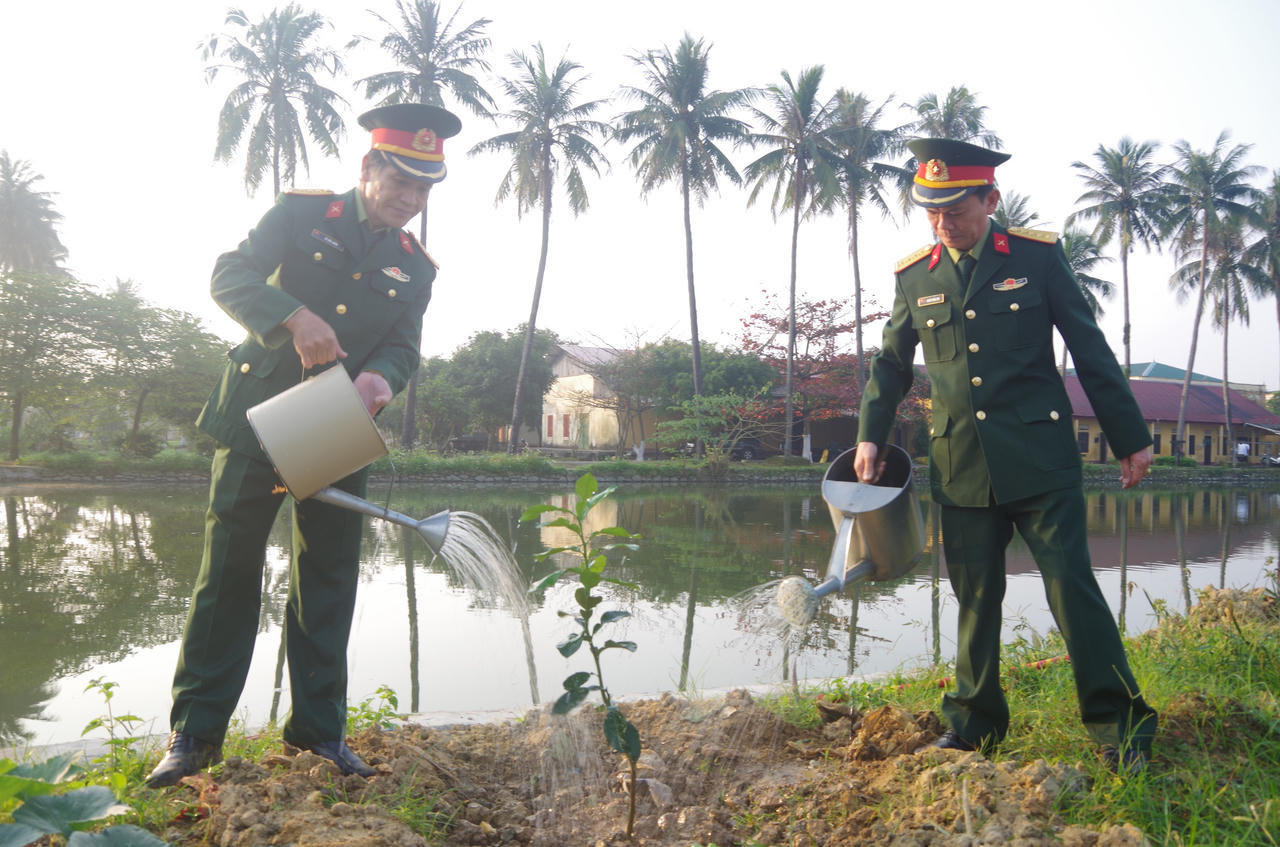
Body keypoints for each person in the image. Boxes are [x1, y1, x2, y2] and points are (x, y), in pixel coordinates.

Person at [145, 103, 461, 788]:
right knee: (228, 570)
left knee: (327, 578)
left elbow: (405, 344)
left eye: (424, 188)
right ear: (367, 167)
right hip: (257, 413)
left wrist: (383, 376)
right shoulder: (300, 214)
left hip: (330, 424)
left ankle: (318, 734)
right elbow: (229, 274)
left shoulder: (418, 268)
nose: (411, 200)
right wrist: (292, 316)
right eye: (401, 181)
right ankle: (195, 735)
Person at [854, 138, 1157, 774]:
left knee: (1073, 591)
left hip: (1040, 462)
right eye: (931, 212)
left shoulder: (1036, 259)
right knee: (973, 597)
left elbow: (1089, 346)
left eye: (956, 209)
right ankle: (973, 725)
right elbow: (890, 364)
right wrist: (869, 435)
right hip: (961, 464)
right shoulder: (916, 275)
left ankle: (1119, 727)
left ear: (990, 199)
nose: (943, 223)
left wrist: (1129, 436)